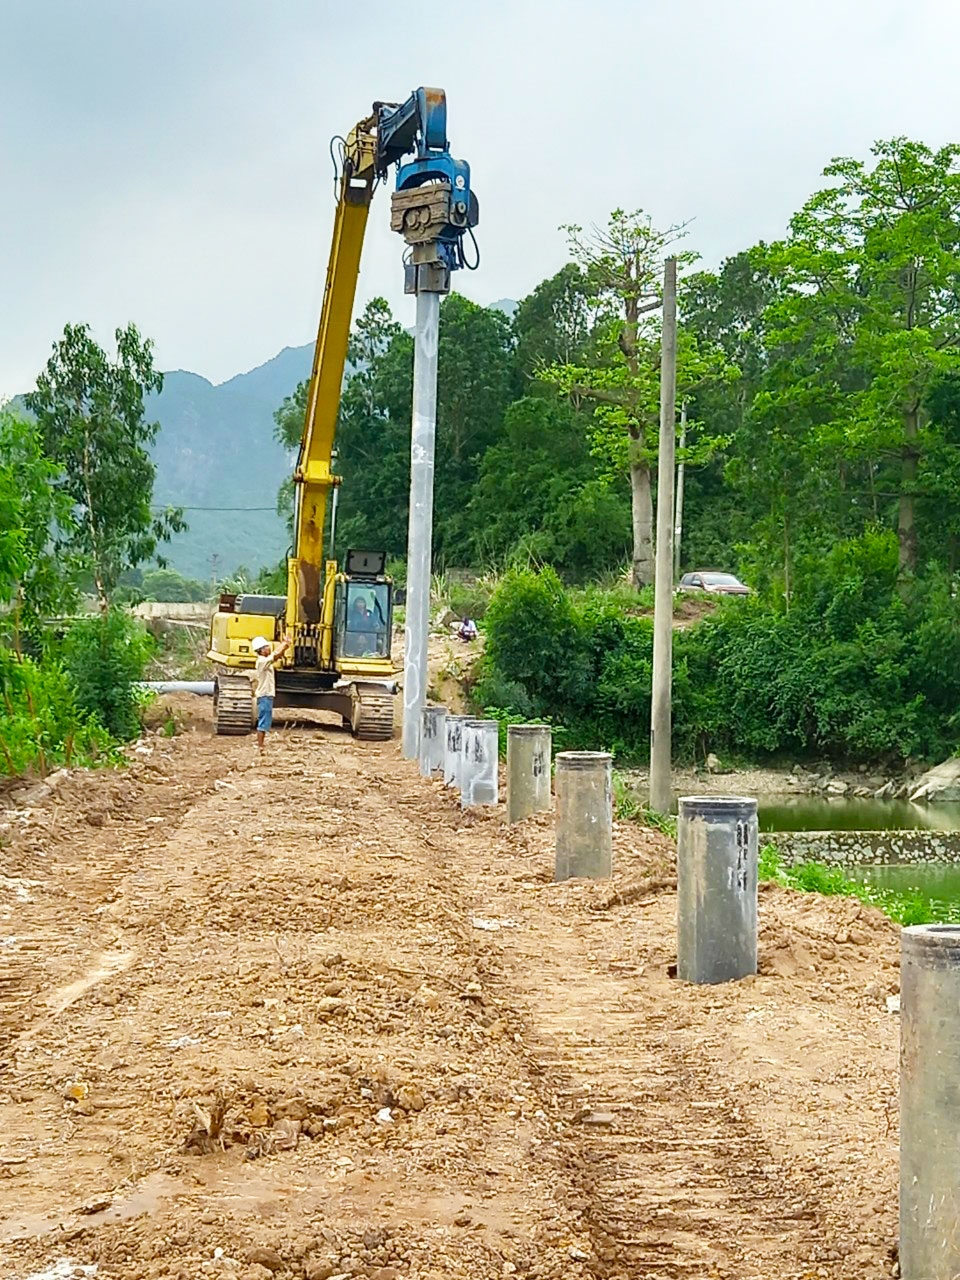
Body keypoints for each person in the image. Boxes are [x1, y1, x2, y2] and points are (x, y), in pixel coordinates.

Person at [250, 634, 291, 756]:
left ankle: (261, 746)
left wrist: (283, 646)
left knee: (265, 721)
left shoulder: (265, 662)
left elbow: (275, 655)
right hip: (264, 695)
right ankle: (260, 747)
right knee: (263, 721)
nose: (269, 649)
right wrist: (285, 645)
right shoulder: (262, 662)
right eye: (266, 647)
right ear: (261, 650)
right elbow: (275, 655)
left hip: (267, 695)